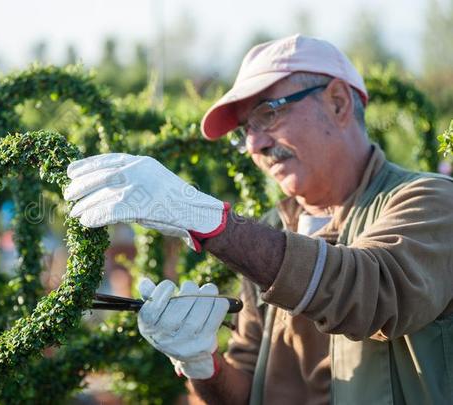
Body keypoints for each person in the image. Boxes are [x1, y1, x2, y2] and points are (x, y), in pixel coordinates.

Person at [63, 34, 453, 404]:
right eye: (245, 131)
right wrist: (200, 364)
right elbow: (247, 388)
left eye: (268, 114)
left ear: (337, 103)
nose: (253, 144)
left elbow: (370, 292)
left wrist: (207, 219)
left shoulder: (430, 200)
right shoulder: (273, 231)